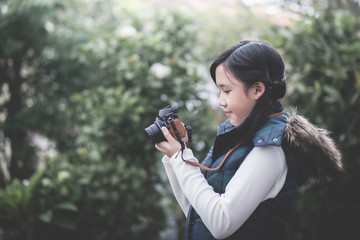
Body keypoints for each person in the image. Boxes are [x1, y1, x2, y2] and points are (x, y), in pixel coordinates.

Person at [155, 40, 344, 240]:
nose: (221, 101)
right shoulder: (237, 135)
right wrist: (179, 154)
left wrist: (179, 157)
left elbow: (220, 223)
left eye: (227, 91)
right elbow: (198, 213)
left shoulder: (270, 149)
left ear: (257, 90)